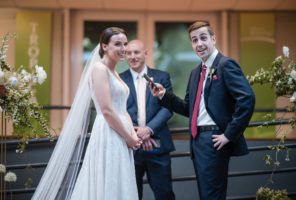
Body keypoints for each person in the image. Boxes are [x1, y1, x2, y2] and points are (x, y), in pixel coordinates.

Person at [32, 27, 142, 200]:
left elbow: (122, 108)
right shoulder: (99, 69)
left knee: (119, 179)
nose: (123, 49)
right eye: (117, 44)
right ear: (104, 46)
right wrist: (129, 138)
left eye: (125, 44)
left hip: (122, 133)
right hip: (109, 132)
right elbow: (106, 110)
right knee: (107, 178)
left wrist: (132, 135)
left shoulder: (114, 72)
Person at [149, 21, 255, 200]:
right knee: (206, 194)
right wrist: (163, 95)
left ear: (213, 39)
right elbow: (188, 108)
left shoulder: (225, 65)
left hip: (214, 139)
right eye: (194, 40)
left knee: (211, 195)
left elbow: (247, 99)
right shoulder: (196, 72)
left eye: (203, 38)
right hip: (197, 141)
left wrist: (229, 134)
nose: (199, 44)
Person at [120, 40, 175, 200]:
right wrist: (136, 135)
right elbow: (118, 112)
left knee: (165, 194)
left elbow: (168, 108)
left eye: (136, 52)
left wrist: (148, 130)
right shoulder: (119, 80)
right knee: (131, 195)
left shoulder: (162, 76)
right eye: (128, 53)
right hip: (129, 148)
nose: (132, 56)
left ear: (145, 53)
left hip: (157, 147)